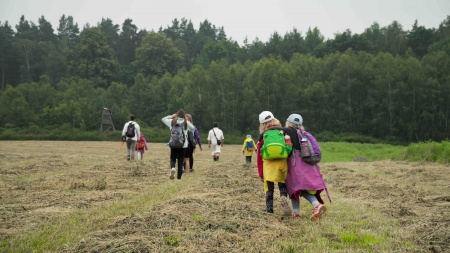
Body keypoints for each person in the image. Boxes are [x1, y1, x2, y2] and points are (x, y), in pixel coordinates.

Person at [283, 113, 330, 220]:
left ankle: (314, 206)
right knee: (302, 189)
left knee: (295, 189)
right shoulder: (304, 134)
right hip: (308, 165)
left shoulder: (289, 132)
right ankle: (301, 213)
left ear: (289, 122)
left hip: (296, 166)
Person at [256, 111, 291, 215]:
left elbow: (259, 157)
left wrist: (261, 173)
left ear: (262, 125)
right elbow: (289, 147)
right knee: (282, 184)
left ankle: (269, 210)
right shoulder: (283, 133)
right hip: (282, 163)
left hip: (268, 166)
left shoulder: (263, 136)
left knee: (269, 188)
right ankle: (283, 196)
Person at [162, 109, 194, 181]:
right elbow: (193, 128)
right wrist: (187, 121)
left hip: (173, 143)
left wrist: (171, 116)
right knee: (180, 161)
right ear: (184, 115)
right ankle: (179, 178)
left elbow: (163, 119)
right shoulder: (186, 122)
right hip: (183, 145)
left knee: (172, 158)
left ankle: (173, 168)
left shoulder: (172, 121)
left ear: (177, 114)